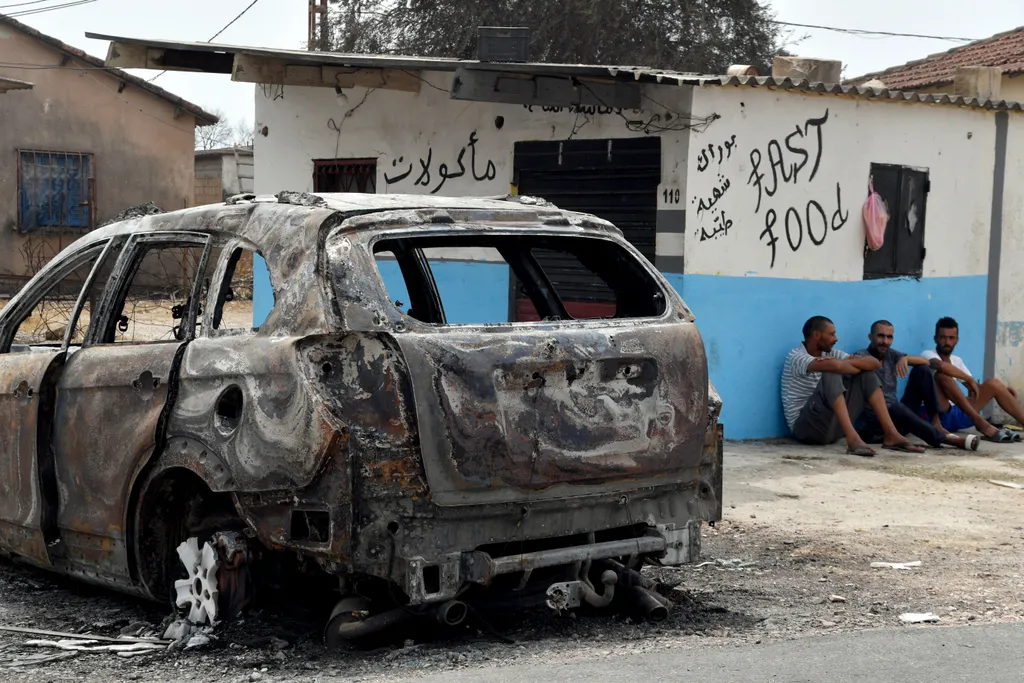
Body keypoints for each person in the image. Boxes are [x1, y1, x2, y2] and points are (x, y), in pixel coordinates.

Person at [781, 316, 925, 456]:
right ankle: (853, 438)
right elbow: (835, 366)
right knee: (830, 373)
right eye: (832, 334)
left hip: (831, 429)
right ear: (817, 335)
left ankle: (891, 434)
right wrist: (842, 365)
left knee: (866, 375)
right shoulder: (796, 356)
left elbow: (873, 363)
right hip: (806, 429)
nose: (836, 338)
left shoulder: (830, 353)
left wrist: (843, 365)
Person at [853, 320, 979, 451]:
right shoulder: (861, 356)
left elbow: (925, 362)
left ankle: (936, 423)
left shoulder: (891, 354)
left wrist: (905, 358)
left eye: (889, 337)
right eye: (880, 336)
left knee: (922, 370)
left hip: (899, 420)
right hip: (876, 426)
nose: (885, 341)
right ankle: (945, 439)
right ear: (870, 337)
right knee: (895, 407)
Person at [912, 317, 1024, 443]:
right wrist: (968, 379)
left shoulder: (957, 360)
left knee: (994, 384)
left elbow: (975, 388)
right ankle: (980, 422)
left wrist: (1003, 392)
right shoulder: (927, 354)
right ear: (935, 338)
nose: (947, 342)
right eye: (943, 337)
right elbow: (941, 366)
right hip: (937, 416)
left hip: (959, 414)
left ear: (957, 340)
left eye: (951, 338)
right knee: (942, 376)